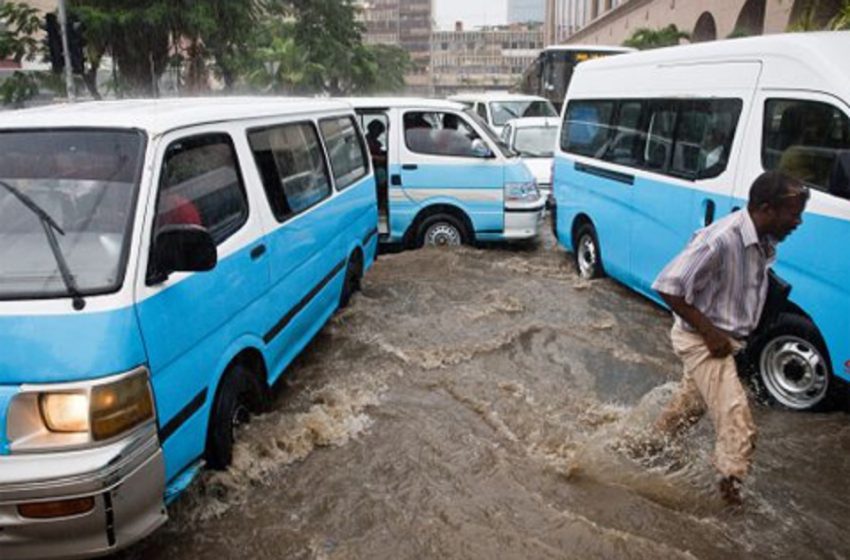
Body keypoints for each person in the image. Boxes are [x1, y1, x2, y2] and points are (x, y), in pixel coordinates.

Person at [652, 170, 808, 506]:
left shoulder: (763, 240)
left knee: (687, 410)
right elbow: (667, 285)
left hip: (727, 339)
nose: (798, 222)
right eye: (793, 213)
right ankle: (730, 507)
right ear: (767, 209)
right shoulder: (722, 238)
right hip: (702, 340)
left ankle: (646, 446)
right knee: (739, 424)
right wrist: (711, 333)